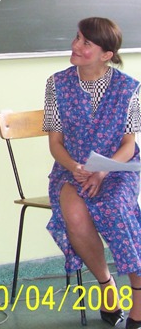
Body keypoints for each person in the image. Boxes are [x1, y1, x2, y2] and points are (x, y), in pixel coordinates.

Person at [44, 17, 141, 329]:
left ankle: (139, 297)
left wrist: (101, 171)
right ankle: (106, 285)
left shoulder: (129, 88)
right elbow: (55, 143)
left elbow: (129, 144)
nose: (75, 45)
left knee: (117, 209)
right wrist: (75, 167)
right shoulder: (56, 83)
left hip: (116, 168)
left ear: (106, 54)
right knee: (74, 214)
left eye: (86, 42)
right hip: (71, 168)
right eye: (77, 37)